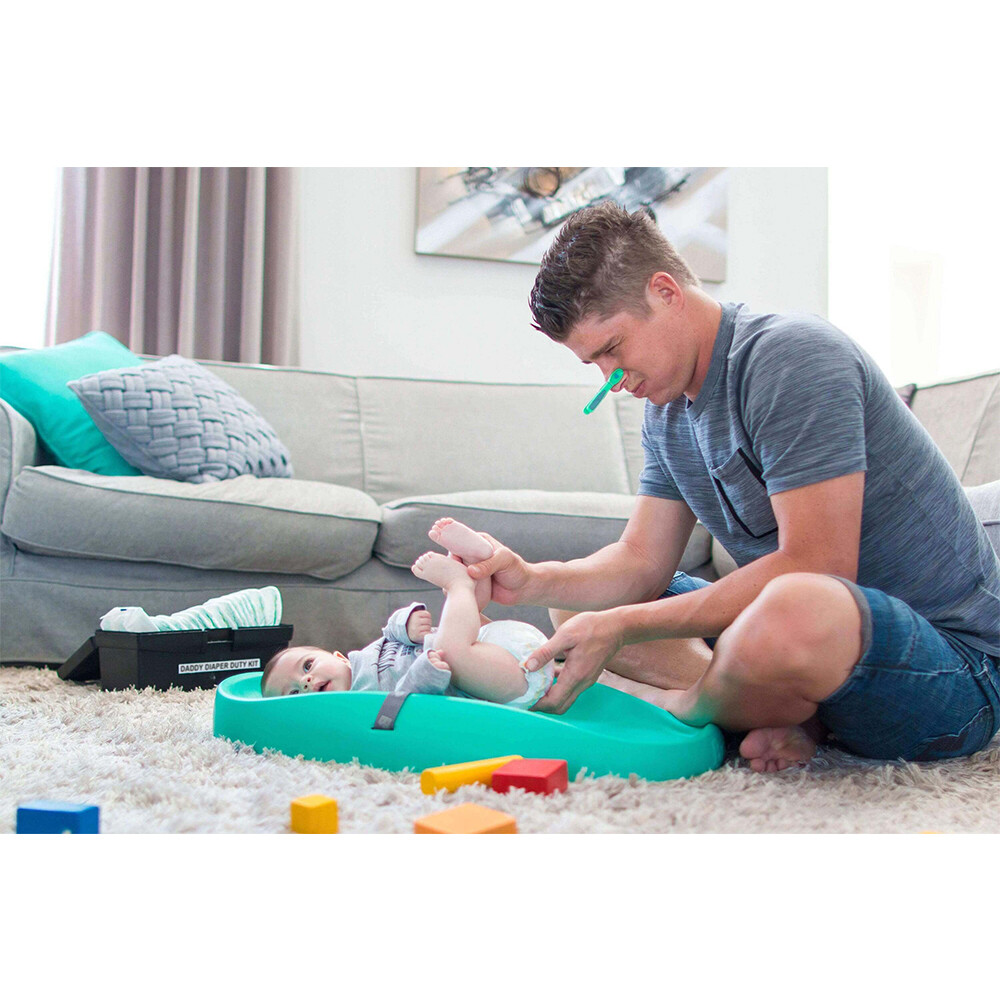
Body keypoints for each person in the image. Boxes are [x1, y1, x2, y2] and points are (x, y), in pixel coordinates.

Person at [460, 201, 1000, 772]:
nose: (612, 381)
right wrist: (534, 581)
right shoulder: (666, 412)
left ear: (665, 291)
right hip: (807, 645)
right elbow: (641, 560)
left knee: (795, 604)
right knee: (578, 611)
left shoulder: (791, 357)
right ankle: (779, 712)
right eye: (593, 364)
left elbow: (818, 565)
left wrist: (622, 628)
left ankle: (694, 707)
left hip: (954, 671)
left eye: (612, 349)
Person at [260, 518, 555, 709]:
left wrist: (408, 624)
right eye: (295, 694)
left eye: (307, 666)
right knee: (451, 648)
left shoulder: (365, 659)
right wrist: (425, 676)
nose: (306, 683)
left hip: (492, 643)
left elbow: (390, 634)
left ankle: (476, 565)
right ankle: (460, 581)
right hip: (511, 681)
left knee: (460, 623)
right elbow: (402, 706)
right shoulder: (357, 703)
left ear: (338, 657)